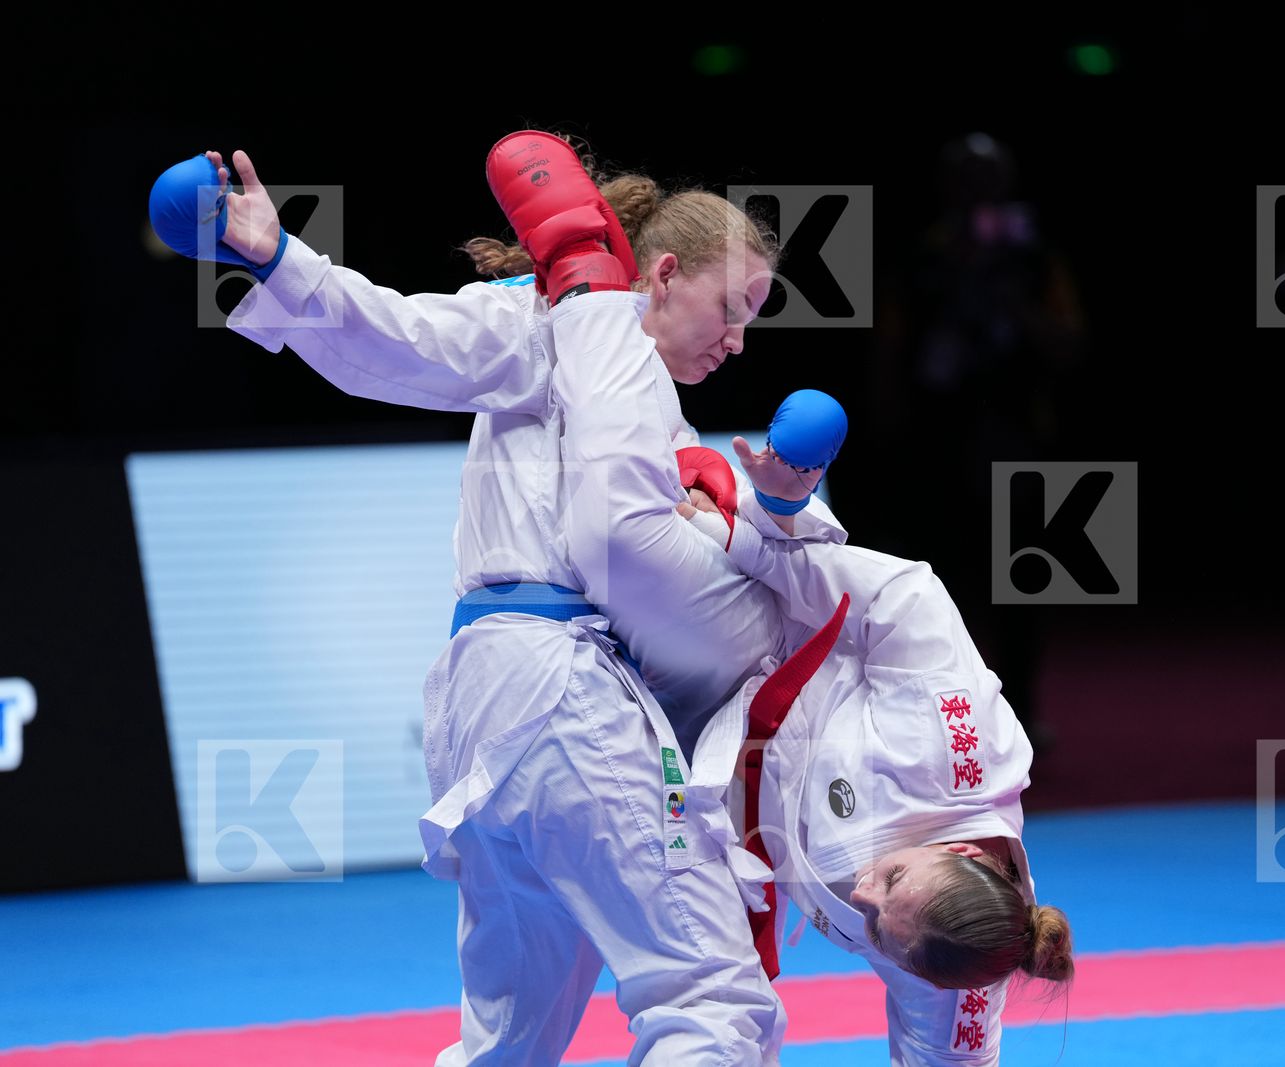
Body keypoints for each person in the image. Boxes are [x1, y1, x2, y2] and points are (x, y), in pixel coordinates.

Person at [151, 133, 835, 1066]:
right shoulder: (556, 319)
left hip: (495, 705)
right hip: (560, 690)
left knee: (508, 1042)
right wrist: (278, 254)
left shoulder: (642, 396)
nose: (740, 338)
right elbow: (396, 337)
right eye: (735, 305)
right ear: (665, 274)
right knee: (711, 998)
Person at [546, 276, 1075, 1063]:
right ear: (959, 852)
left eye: (875, 932)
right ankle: (586, 280)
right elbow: (903, 593)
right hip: (749, 650)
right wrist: (762, 543)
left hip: (709, 803)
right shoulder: (958, 751)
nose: (864, 897)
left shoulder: (954, 979)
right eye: (892, 882)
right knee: (632, 534)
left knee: (701, 1003)